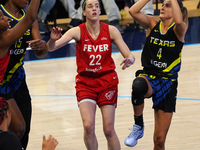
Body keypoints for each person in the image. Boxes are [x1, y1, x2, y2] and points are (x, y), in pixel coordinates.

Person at [46, 0, 135, 149]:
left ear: (100, 11)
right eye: (90, 6)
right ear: (84, 12)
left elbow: (129, 54)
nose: (94, 8)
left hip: (107, 82)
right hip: (86, 83)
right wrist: (51, 40)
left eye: (97, 6)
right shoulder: (77, 31)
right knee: (88, 126)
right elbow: (51, 48)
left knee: (108, 130)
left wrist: (130, 59)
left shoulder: (111, 30)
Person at [124, 0, 188, 149]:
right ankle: (138, 126)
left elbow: (179, 20)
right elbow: (133, 11)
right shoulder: (152, 24)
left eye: (167, 5)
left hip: (168, 83)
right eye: (163, 4)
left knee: (159, 140)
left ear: (176, 9)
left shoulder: (180, 29)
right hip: (150, 77)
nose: (162, 7)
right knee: (138, 84)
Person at [0, 0, 48, 149]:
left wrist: (43, 46)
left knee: (23, 128)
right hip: (1, 82)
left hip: (16, 78)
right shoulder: (3, 18)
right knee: (10, 126)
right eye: (2, 18)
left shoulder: (25, 18)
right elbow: (30, 17)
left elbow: (40, 52)